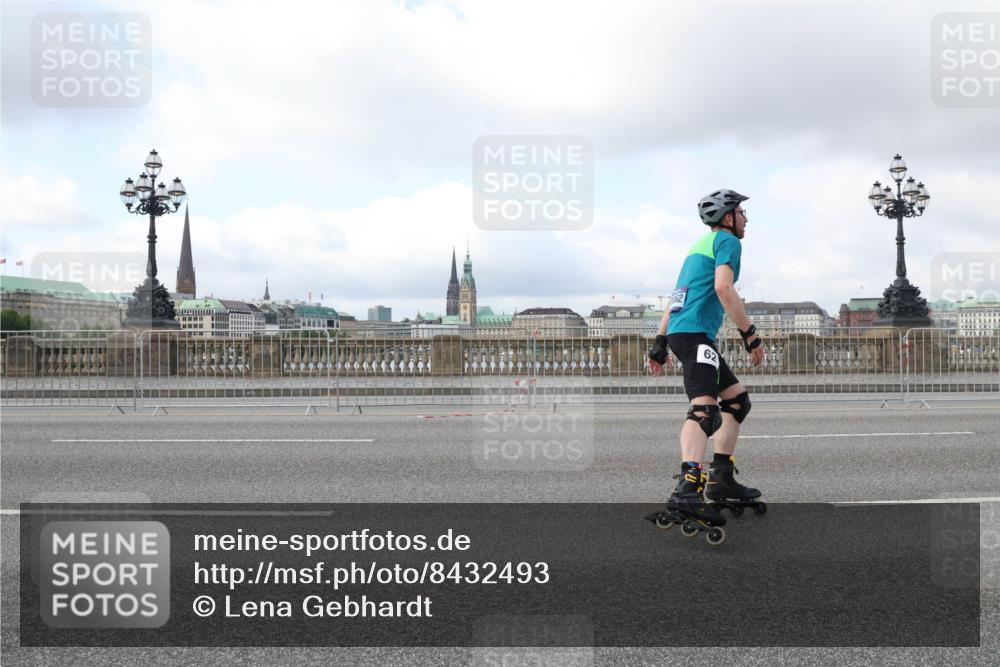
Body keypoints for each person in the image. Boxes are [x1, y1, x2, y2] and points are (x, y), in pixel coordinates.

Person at [648, 189, 765, 523]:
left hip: (683, 332)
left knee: (737, 401)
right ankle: (689, 487)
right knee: (704, 411)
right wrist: (750, 334)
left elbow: (676, 299)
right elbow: (724, 289)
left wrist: (659, 343)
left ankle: (721, 478)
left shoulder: (696, 248)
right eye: (741, 213)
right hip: (696, 333)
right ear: (727, 218)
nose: (745, 219)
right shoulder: (727, 242)